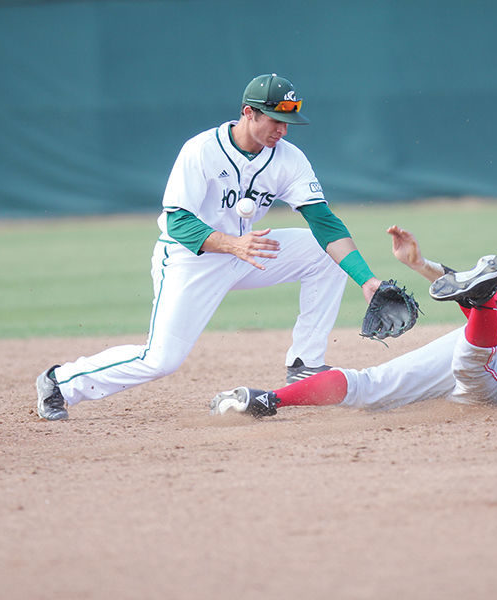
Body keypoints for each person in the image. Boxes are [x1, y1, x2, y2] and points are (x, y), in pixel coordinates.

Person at [36, 73, 389, 421]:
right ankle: (61, 383)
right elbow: (177, 221)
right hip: (191, 259)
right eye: (276, 120)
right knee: (161, 359)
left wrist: (366, 279)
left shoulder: (288, 158)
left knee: (322, 252)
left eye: (288, 123)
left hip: (248, 249)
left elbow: (324, 222)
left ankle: (305, 364)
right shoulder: (201, 150)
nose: (282, 130)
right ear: (249, 112)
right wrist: (233, 244)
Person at [209, 225, 497, 417]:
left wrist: (419, 264)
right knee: (475, 367)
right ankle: (479, 301)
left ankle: (267, 400)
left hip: (492, 349)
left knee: (371, 385)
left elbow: (455, 282)